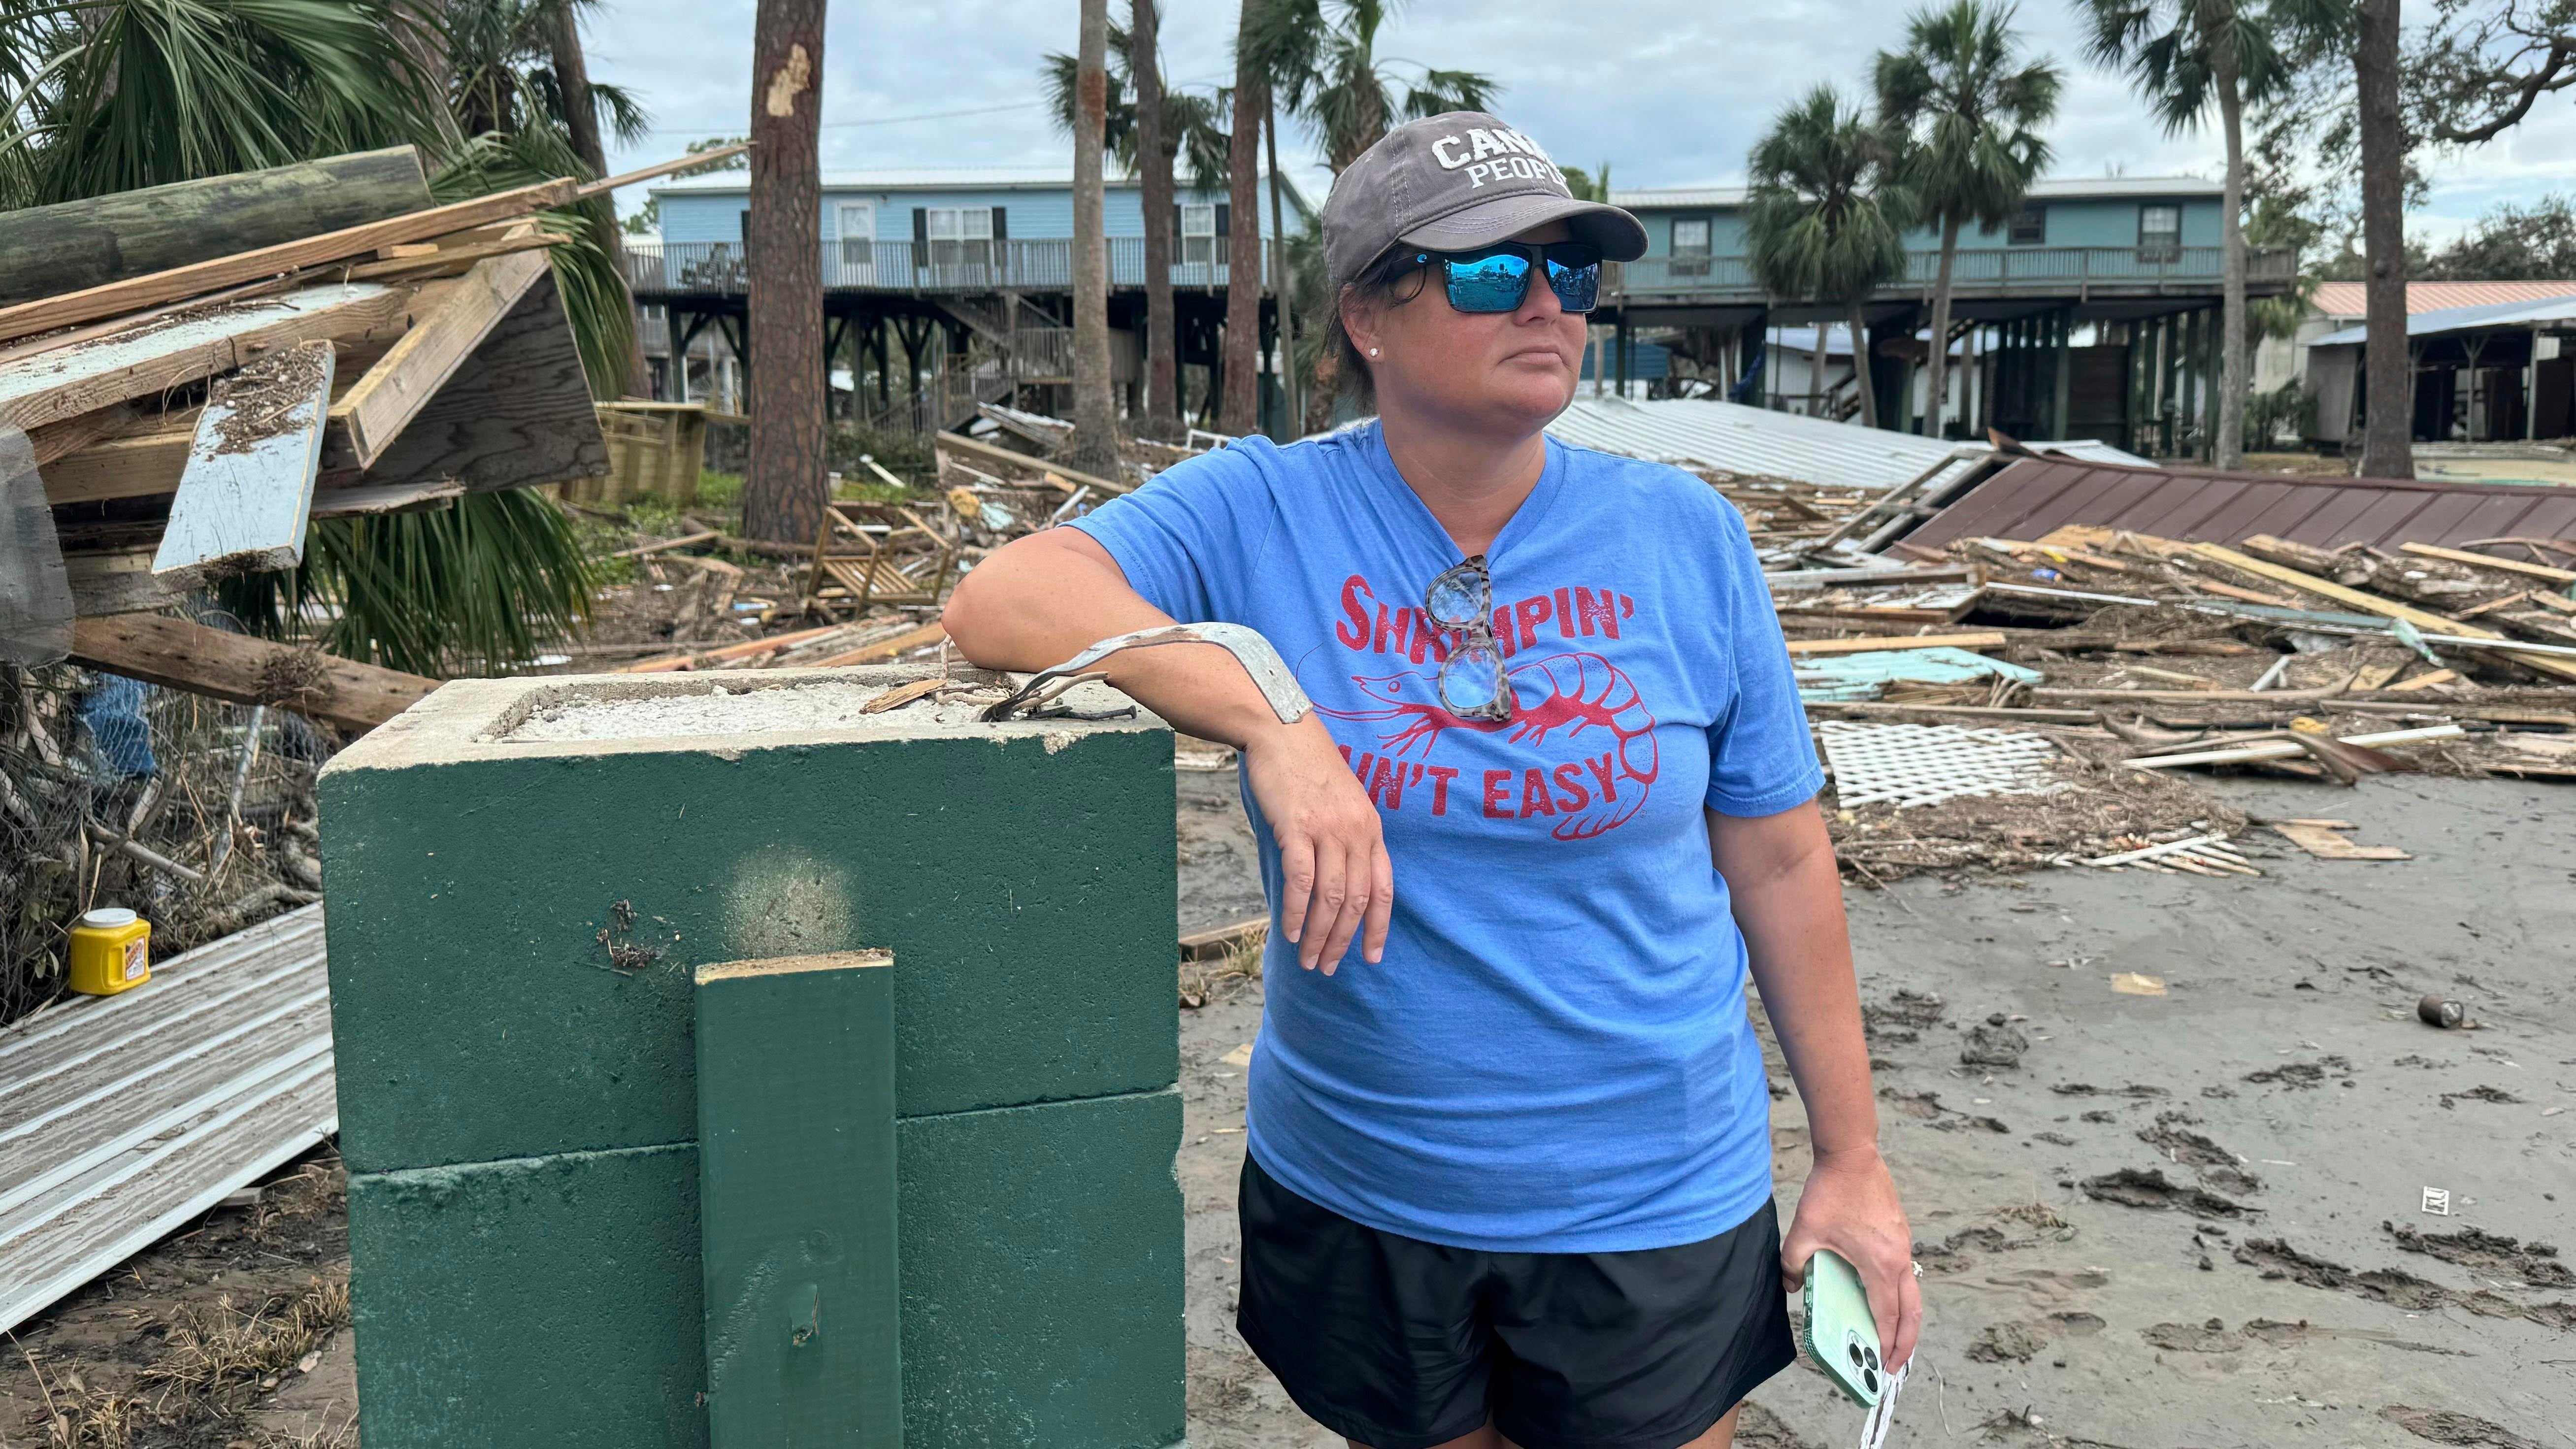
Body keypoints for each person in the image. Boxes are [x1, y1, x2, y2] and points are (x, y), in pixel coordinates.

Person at [944, 111, 1917, 1449]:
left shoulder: (1686, 537)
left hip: (1647, 1195)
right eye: (1482, 272)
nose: (1542, 304)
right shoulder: (1260, 509)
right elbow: (1005, 598)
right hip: (1366, 1182)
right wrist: (1278, 723)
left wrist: (1851, 1163)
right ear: (1367, 318)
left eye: (1568, 275)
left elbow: (1781, 858)